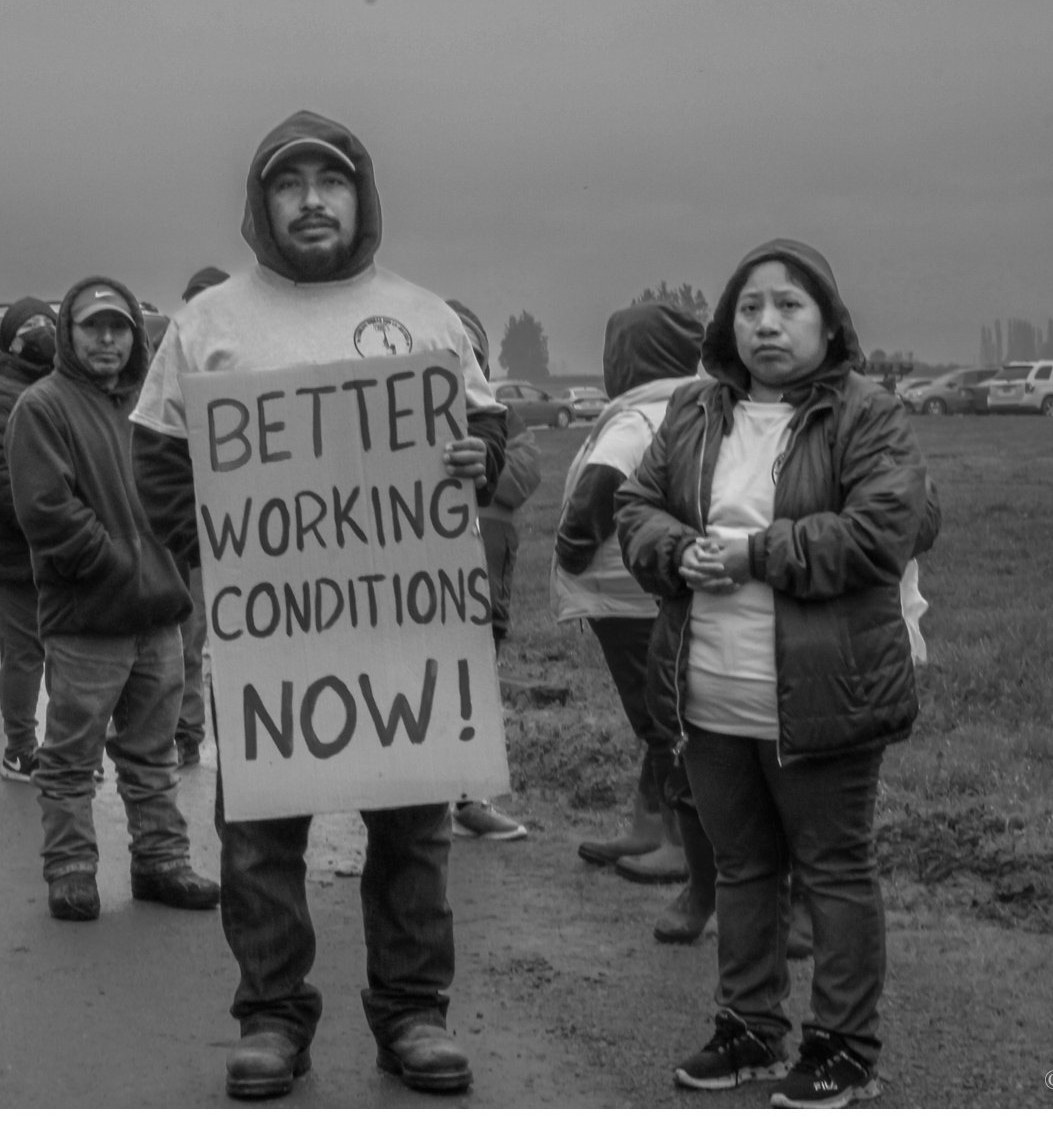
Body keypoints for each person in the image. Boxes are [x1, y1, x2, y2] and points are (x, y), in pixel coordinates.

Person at [132, 110, 508, 1100]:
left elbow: (486, 438)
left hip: (405, 626)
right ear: (260, 204)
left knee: (412, 832)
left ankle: (413, 1012)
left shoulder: (424, 317)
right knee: (259, 836)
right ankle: (270, 1017)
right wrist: (228, 560)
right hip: (272, 638)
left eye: (329, 182)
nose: (310, 201)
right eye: (288, 183)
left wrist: (476, 465)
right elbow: (159, 466)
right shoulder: (205, 327)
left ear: (359, 196)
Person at [617, 239, 936, 1109]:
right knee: (744, 865)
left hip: (826, 697)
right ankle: (750, 1027)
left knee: (834, 870)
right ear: (728, 322)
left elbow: (882, 531)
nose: (766, 323)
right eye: (750, 306)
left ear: (830, 323)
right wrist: (675, 549)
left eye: (789, 305)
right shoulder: (694, 409)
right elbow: (634, 507)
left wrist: (758, 554)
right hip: (708, 695)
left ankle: (843, 1047)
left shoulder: (867, 414)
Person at [6, 276, 222, 922]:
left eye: (119, 327)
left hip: (159, 616)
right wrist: (120, 565)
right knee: (71, 758)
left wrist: (173, 565)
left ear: (136, 336)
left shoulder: (157, 408)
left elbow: (189, 493)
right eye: (93, 327)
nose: (107, 339)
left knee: (153, 755)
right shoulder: (41, 408)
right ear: (69, 334)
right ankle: (71, 870)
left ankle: (161, 860)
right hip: (88, 620)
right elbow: (48, 512)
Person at [553, 301, 714, 938]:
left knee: (661, 720)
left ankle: (679, 839)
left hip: (625, 596)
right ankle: (650, 825)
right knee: (659, 718)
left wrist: (571, 547)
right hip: (646, 588)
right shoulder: (686, 404)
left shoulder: (641, 413)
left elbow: (600, 487)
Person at [444, 298, 536, 842]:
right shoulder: (398, 423)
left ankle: (468, 798)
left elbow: (524, 473)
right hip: (424, 596)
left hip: (486, 584)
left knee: (478, 690)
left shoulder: (500, 418)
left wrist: (478, 468)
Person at [0, 296, 58, 782]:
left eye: (50, 322)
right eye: (33, 325)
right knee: (24, 656)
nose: (45, 331)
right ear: (12, 340)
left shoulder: (64, 389)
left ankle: (64, 747)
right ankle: (20, 749)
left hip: (66, 554)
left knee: (67, 653)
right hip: (17, 553)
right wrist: (52, 521)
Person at [173, 265, 230, 767]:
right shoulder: (170, 368)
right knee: (188, 640)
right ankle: (187, 733)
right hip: (192, 533)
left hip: (256, 533)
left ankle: (251, 740)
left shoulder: (250, 361)